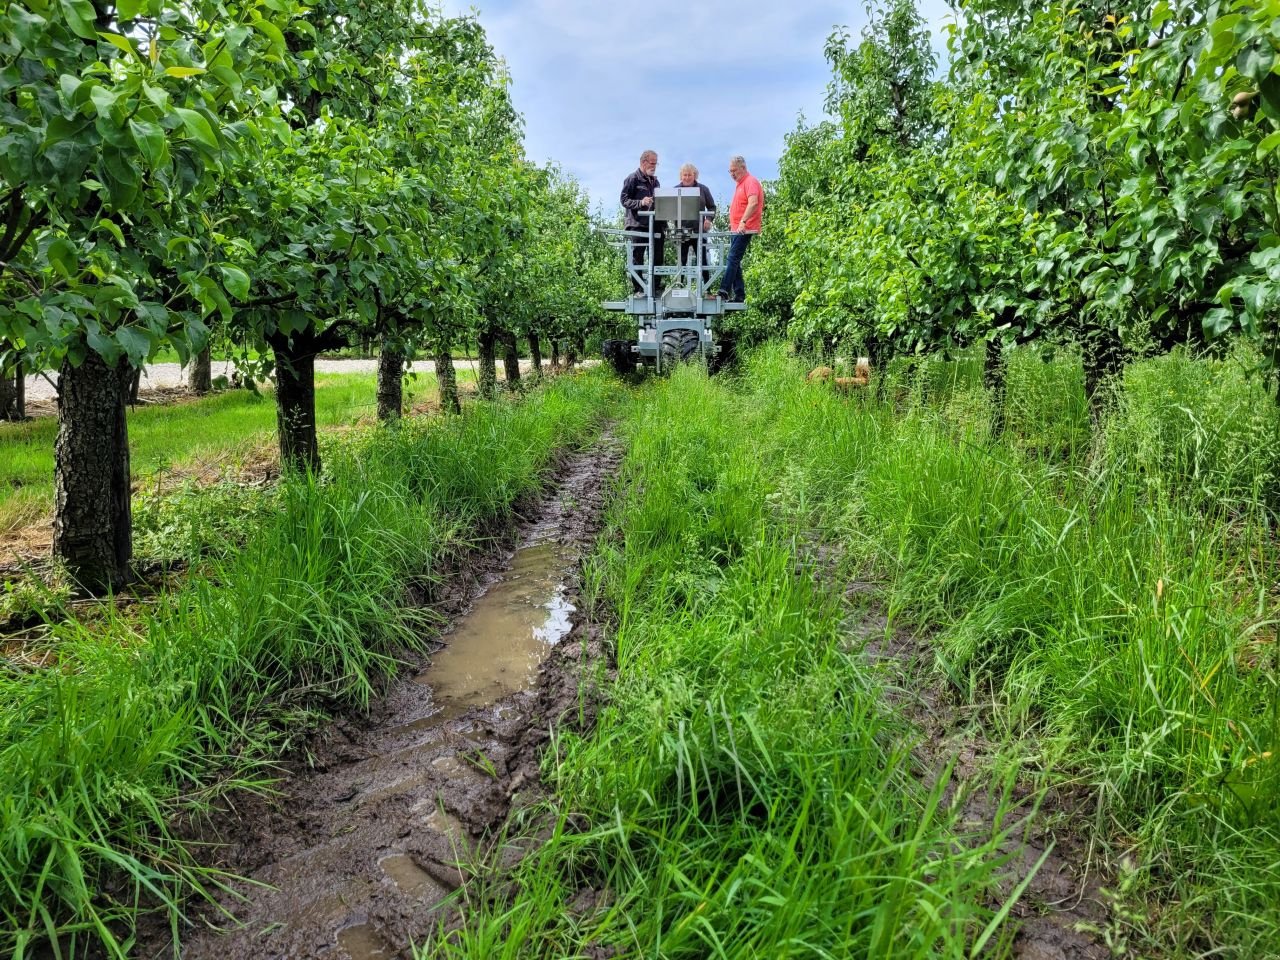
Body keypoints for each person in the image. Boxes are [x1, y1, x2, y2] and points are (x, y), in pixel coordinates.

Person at [719, 154, 763, 303]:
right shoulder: (740, 184)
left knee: (732, 258)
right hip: (737, 228)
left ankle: (724, 290)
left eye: (734, 171)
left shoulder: (750, 181)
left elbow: (753, 203)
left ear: (743, 168)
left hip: (745, 228)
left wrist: (743, 221)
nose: (732, 174)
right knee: (735, 260)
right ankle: (739, 294)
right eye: (730, 171)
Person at [620, 150, 663, 295]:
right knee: (638, 257)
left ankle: (655, 288)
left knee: (657, 256)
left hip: (654, 224)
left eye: (656, 163)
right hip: (637, 224)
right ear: (643, 162)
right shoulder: (632, 179)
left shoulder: (655, 182)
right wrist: (640, 202)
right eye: (652, 163)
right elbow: (624, 200)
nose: (654, 166)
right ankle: (638, 289)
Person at [674, 162, 716, 289]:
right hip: (681, 230)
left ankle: (707, 289)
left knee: (702, 260)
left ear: (695, 175)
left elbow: (712, 207)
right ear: (681, 176)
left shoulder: (703, 189)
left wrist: (708, 219)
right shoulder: (675, 190)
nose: (687, 177)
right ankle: (679, 287)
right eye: (685, 175)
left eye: (690, 175)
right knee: (681, 260)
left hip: (699, 230)